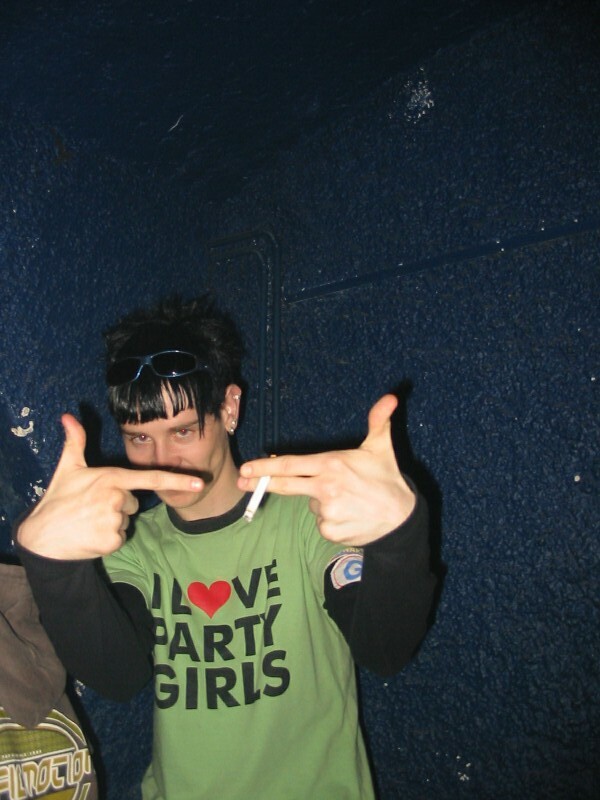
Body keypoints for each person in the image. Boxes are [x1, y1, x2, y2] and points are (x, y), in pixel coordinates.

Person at [16, 295, 436, 800]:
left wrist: (398, 538)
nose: (163, 459)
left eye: (183, 431)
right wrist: (52, 566)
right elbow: (119, 677)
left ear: (229, 407)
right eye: (139, 438)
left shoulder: (305, 516)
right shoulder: (132, 544)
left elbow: (384, 650)